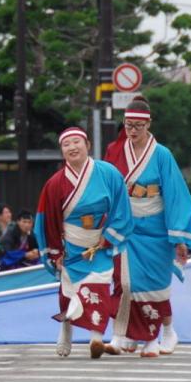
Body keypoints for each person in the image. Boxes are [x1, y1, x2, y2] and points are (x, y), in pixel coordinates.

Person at [105, 97, 191, 357]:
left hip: (156, 226)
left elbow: (174, 194)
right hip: (125, 226)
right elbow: (107, 187)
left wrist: (179, 237)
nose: (133, 130)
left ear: (149, 124)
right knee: (125, 283)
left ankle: (167, 331)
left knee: (154, 284)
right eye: (128, 125)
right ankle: (122, 334)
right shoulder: (115, 150)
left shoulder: (161, 154)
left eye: (138, 125)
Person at [35, 127, 135, 359]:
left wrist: (109, 236)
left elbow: (121, 207)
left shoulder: (108, 173)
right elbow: (47, 220)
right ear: (62, 151)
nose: (72, 147)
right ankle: (66, 330)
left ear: (87, 144)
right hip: (72, 246)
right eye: (66, 144)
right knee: (69, 292)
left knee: (98, 287)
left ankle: (96, 338)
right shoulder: (55, 183)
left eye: (76, 142)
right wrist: (55, 251)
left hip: (100, 244)